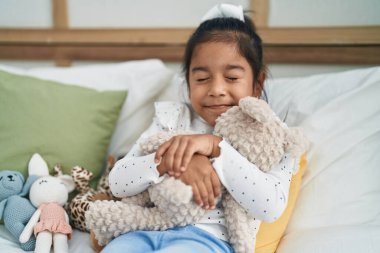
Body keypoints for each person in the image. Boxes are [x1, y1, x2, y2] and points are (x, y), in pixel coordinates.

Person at [103, 3, 298, 253]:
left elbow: (271, 206)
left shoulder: (271, 134)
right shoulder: (171, 120)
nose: (216, 89)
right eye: (202, 79)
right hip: (143, 230)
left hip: (206, 241)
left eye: (232, 78)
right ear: (188, 82)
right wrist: (170, 162)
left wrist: (216, 148)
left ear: (257, 84)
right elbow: (118, 182)